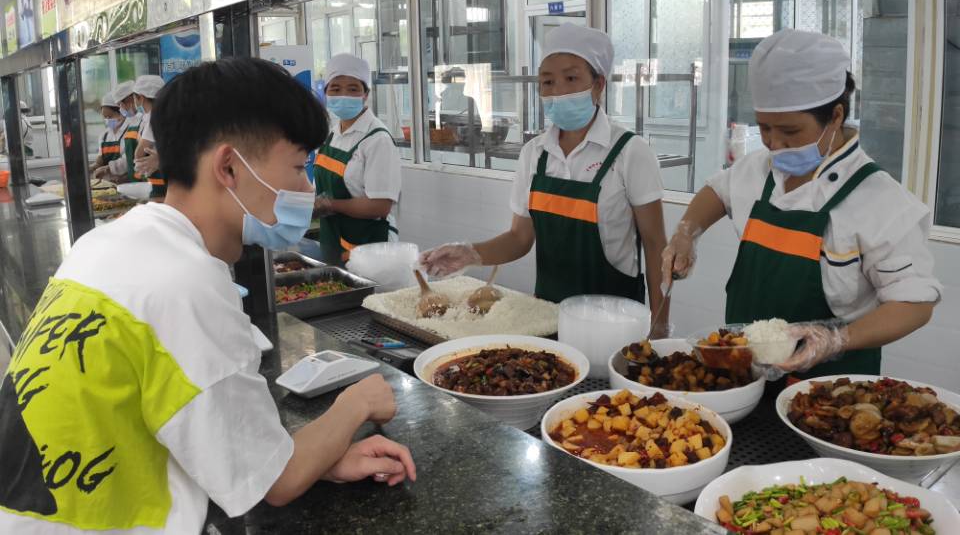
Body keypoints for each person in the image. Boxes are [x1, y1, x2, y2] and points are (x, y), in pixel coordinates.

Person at [0, 57, 416, 534]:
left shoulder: (107, 243)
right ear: (228, 167)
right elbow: (278, 483)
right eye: (298, 167)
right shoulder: (185, 284)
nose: (307, 187)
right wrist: (356, 404)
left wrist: (316, 459)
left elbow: (225, 449)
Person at [661, 29, 941, 378]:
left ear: (835, 116)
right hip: (743, 378)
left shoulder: (880, 201)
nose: (774, 143)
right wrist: (686, 234)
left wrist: (835, 339)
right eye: (764, 128)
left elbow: (914, 304)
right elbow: (717, 191)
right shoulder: (759, 169)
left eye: (790, 132)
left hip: (828, 390)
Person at [420, 23, 669, 334]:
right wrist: (469, 253)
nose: (558, 91)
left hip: (615, 322)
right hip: (547, 318)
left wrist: (659, 326)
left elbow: (656, 246)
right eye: (547, 82)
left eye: (571, 78)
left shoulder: (630, 152)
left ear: (598, 84)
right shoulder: (535, 154)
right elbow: (519, 238)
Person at [310, 53, 401, 265]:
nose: (343, 95)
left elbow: (380, 206)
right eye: (335, 89)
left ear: (365, 94)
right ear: (326, 93)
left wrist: (330, 205)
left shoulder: (377, 139)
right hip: (333, 239)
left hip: (370, 245)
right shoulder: (333, 133)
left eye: (353, 89)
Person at [130, 74, 166, 201]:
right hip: (159, 180)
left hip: (160, 183)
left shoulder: (155, 117)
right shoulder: (156, 115)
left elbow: (139, 153)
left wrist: (138, 164)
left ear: (141, 97)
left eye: (134, 97)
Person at [89, 92, 126, 174]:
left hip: (126, 179)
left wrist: (108, 168)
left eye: (110, 116)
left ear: (121, 113)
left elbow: (127, 161)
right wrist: (92, 167)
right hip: (108, 179)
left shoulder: (129, 132)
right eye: (105, 117)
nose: (107, 120)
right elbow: (100, 159)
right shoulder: (104, 135)